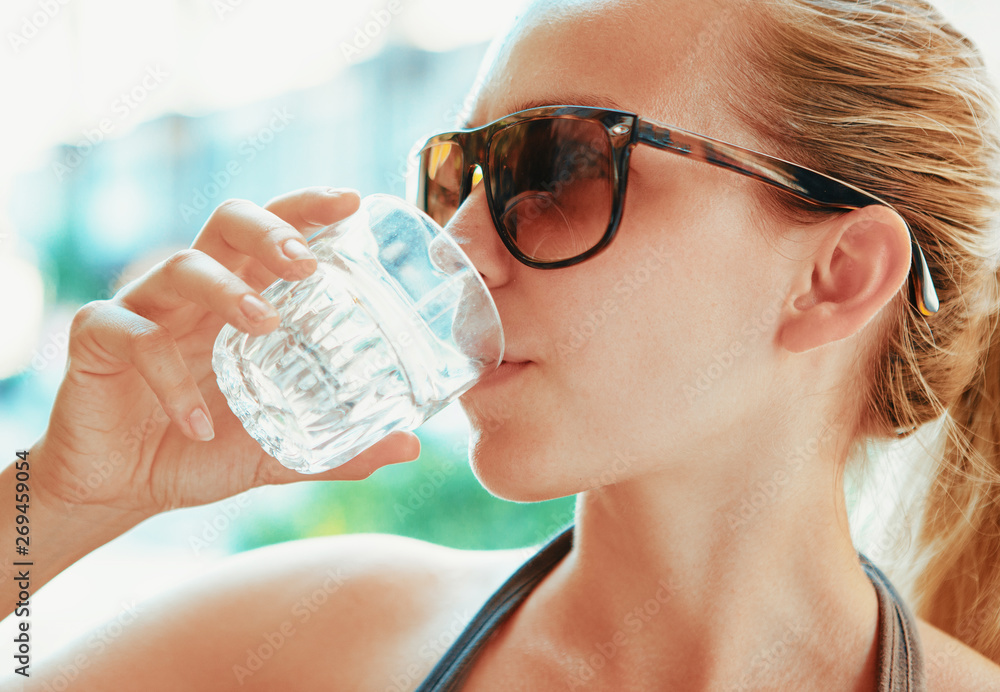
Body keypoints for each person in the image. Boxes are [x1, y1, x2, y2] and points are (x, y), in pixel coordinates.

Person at [4, 0, 1000, 689]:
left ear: (835, 276)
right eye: (455, 175)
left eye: (557, 162)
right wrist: (58, 499)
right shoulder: (310, 636)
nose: (460, 248)